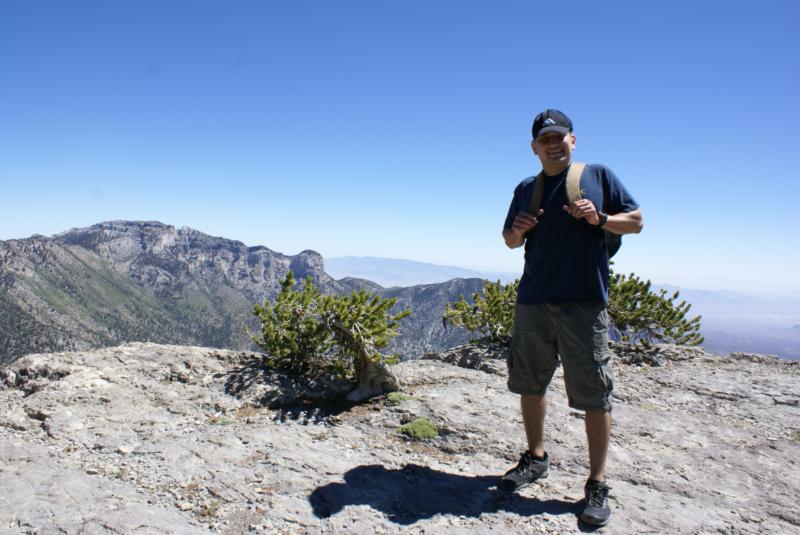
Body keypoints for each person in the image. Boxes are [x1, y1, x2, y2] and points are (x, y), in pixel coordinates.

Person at [499, 109, 643, 526]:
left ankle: (596, 483)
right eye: (545, 138)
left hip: (584, 303)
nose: (553, 143)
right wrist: (519, 230)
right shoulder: (527, 188)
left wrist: (599, 219)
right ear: (534, 147)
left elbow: (635, 222)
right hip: (534, 301)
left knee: (594, 394)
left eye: (560, 136)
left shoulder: (599, 176)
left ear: (573, 140)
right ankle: (536, 457)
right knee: (530, 381)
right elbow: (509, 240)